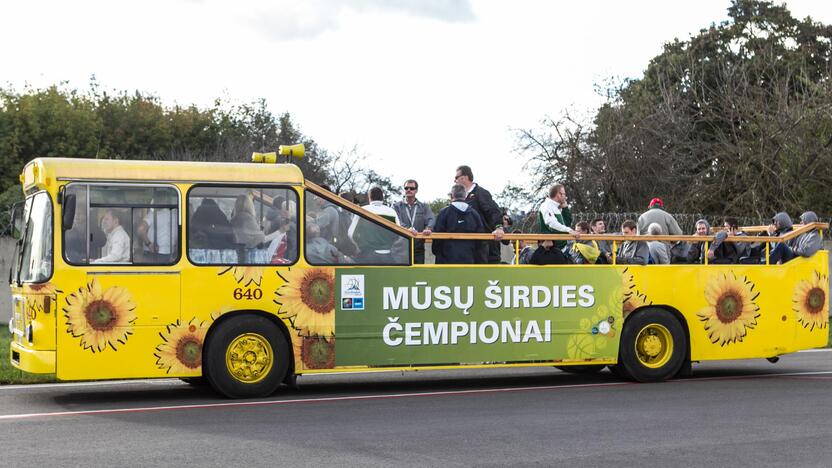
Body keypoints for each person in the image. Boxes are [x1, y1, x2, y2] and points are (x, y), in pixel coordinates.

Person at [454, 165, 504, 263]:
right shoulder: (460, 197)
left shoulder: (481, 193)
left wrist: (499, 227)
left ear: (464, 177)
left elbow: (494, 211)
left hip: (485, 248)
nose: (454, 181)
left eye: (456, 177)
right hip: (468, 248)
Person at [432, 184, 485, 264]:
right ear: (465, 195)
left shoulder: (444, 213)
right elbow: (480, 239)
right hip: (469, 259)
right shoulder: (474, 214)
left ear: (451, 195)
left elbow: (437, 237)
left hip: (446, 260)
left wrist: (438, 253)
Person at [349, 186, 401, 263]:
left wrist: (360, 246)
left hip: (367, 255)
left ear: (369, 197)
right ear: (382, 198)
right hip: (387, 256)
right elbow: (399, 234)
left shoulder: (362, 210)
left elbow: (351, 234)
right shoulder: (391, 212)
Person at [392, 179, 435, 264]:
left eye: (411, 188)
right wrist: (407, 229)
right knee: (402, 276)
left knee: (418, 276)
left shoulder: (424, 206)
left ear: (416, 190)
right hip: (401, 249)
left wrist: (428, 228)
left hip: (418, 249)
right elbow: (397, 221)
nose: (408, 190)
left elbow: (431, 219)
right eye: (406, 188)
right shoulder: (396, 206)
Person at [538, 184, 576, 251]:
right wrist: (569, 230)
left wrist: (565, 209)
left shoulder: (557, 206)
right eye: (564, 194)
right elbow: (552, 224)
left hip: (562, 248)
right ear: (558, 194)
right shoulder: (546, 206)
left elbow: (566, 224)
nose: (565, 197)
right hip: (551, 250)